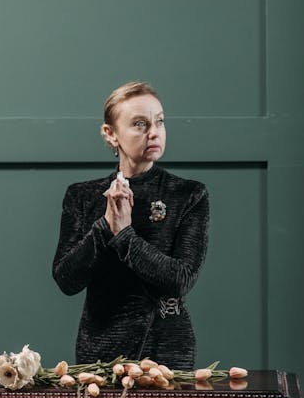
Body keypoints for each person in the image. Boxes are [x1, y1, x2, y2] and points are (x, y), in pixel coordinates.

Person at [52, 81, 209, 369]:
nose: (154, 132)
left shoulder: (188, 194)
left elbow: (181, 280)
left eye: (159, 122)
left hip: (167, 350)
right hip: (100, 351)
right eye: (139, 124)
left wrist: (124, 235)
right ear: (110, 134)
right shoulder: (82, 196)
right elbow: (66, 279)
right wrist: (104, 227)